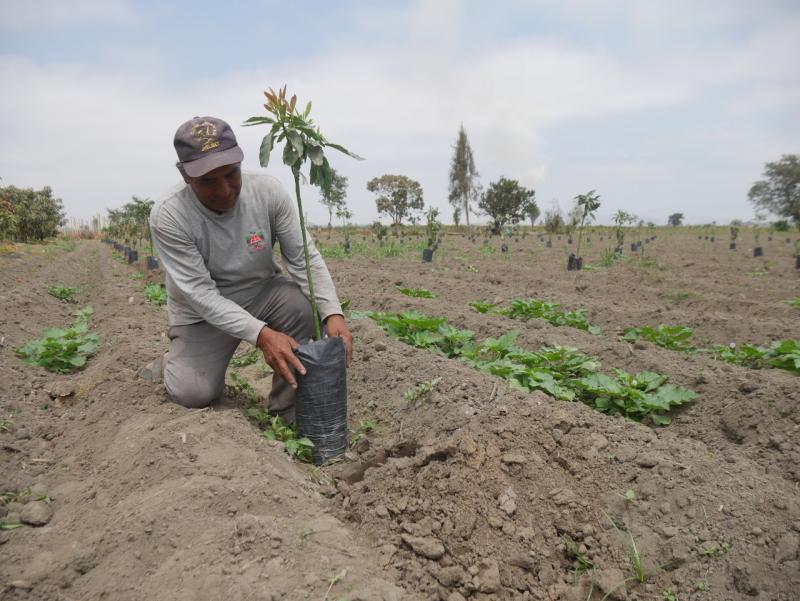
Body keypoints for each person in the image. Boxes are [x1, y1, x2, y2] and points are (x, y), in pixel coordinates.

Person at [142, 116, 352, 421]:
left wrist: (332, 313)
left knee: (299, 308)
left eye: (231, 174)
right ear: (185, 176)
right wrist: (262, 335)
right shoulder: (169, 215)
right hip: (201, 315)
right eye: (208, 181)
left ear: (240, 160)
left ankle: (286, 411)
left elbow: (303, 256)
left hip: (262, 292)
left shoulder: (267, 192)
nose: (225, 190)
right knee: (194, 392)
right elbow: (201, 295)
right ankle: (171, 363)